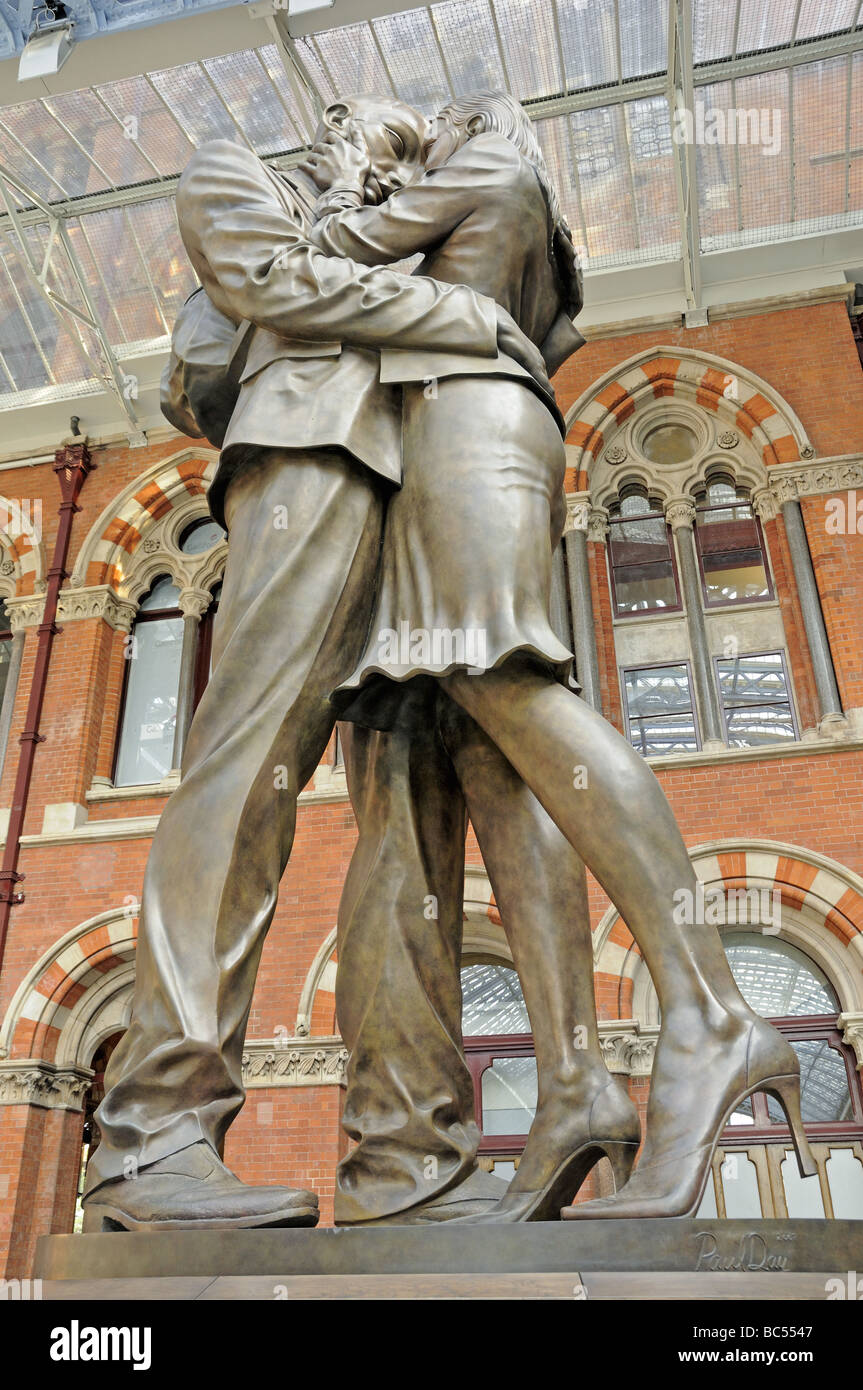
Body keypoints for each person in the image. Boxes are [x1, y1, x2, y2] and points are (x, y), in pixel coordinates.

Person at [308, 90, 817, 1220]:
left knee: (506, 683)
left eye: (422, 127)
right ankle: (577, 1081)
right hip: (494, 427)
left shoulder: (482, 165)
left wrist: (355, 169)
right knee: (492, 748)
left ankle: (708, 1012)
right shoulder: (526, 218)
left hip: (461, 430)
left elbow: (333, 255)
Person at [82, 96, 538, 1232]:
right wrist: (456, 315)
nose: (412, 136)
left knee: (414, 829)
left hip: (432, 483)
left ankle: (407, 1159)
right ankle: (151, 1141)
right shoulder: (235, 169)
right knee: (245, 771)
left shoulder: (412, 225)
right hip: (308, 455)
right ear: (334, 118)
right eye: (391, 122)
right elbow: (274, 288)